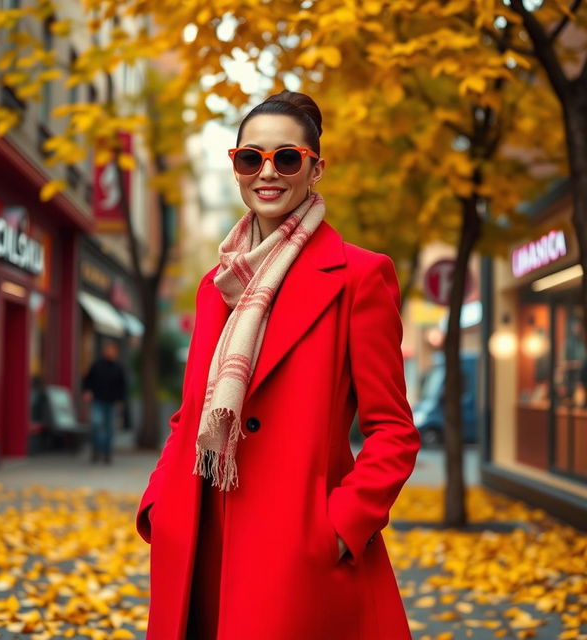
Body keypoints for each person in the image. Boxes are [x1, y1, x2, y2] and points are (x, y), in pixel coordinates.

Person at [136, 91, 420, 640]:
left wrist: (340, 528)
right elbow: (190, 412)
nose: (267, 172)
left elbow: (394, 432)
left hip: (297, 553)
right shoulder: (216, 285)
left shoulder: (360, 277)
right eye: (251, 158)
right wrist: (159, 504)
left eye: (286, 157)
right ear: (237, 167)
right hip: (199, 535)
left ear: (316, 168)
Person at [82, 340, 126, 464]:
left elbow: (122, 387)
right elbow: (88, 380)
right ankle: (97, 450)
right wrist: (87, 391)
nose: (111, 353)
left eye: (113, 350)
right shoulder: (96, 365)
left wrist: (120, 401)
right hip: (98, 400)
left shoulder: (118, 368)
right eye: (109, 350)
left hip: (111, 402)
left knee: (109, 429)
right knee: (97, 424)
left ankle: (106, 453)